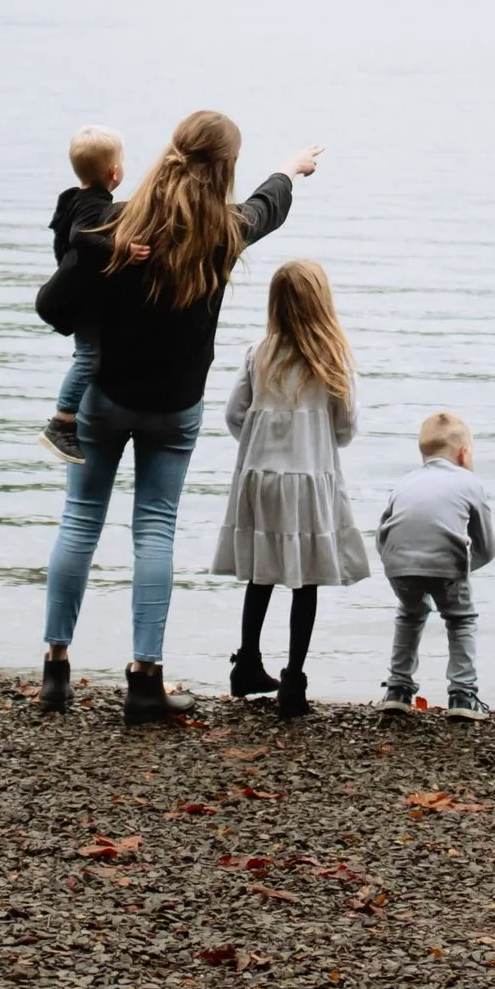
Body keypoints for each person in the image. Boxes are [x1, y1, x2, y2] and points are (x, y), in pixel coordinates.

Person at [35, 108, 322, 725]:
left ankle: (56, 669)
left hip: (104, 398)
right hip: (174, 408)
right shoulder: (225, 230)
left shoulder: (117, 219)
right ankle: (145, 679)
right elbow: (269, 206)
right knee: (155, 532)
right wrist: (287, 170)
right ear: (225, 169)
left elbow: (54, 300)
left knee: (80, 522)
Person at [213, 258, 367, 720]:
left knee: (262, 572)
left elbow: (233, 415)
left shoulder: (258, 353)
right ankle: (294, 682)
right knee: (306, 580)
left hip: (259, 477)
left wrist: (261, 446)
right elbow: (346, 426)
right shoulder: (331, 361)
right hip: (307, 479)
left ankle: (247, 663)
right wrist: (314, 441)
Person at [376, 409, 495, 716]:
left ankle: (398, 689)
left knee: (410, 614)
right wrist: (462, 569)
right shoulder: (470, 483)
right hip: (447, 563)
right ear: (464, 453)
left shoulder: (405, 482)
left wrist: (397, 565)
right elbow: (486, 546)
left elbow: (383, 532)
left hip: (397, 561)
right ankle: (463, 695)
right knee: (460, 619)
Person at [39, 126, 125, 460]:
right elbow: (81, 238)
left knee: (88, 354)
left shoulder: (74, 198)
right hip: (81, 299)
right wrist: (121, 247)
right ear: (114, 172)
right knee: (89, 357)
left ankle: (71, 414)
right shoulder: (93, 204)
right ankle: (62, 421)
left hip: (75, 293)